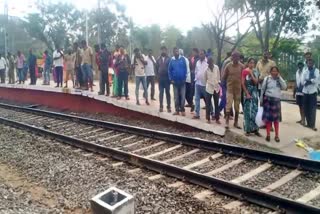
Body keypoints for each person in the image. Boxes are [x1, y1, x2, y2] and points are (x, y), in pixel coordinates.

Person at [260, 66, 287, 142]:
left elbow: (285, 87)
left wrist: (280, 77)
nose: (274, 73)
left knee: (276, 120)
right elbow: (262, 89)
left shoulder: (279, 80)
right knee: (268, 119)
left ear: (278, 72)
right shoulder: (267, 79)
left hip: (276, 100)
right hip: (268, 99)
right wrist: (261, 100)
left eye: (276, 71)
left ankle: (277, 135)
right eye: (273, 71)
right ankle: (268, 135)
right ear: (270, 72)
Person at [222, 51, 245, 129]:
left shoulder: (242, 66)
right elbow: (224, 77)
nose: (234, 58)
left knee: (237, 107)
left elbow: (245, 78)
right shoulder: (228, 66)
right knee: (228, 105)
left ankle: (236, 122)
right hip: (230, 89)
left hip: (238, 90)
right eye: (233, 56)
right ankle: (227, 122)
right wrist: (223, 86)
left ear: (238, 58)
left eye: (236, 56)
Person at [242, 58, 261, 136]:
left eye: (253, 63)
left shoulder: (256, 71)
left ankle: (256, 129)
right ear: (248, 63)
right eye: (250, 63)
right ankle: (247, 130)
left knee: (255, 111)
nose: (251, 64)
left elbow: (256, 82)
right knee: (247, 112)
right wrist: (247, 93)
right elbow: (242, 83)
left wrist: (251, 74)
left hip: (254, 93)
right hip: (247, 92)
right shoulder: (244, 71)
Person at [169, 47, 187, 116]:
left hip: (182, 82)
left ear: (178, 52)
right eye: (175, 51)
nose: (176, 52)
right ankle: (177, 110)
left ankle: (182, 110)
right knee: (176, 97)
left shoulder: (182, 59)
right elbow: (169, 70)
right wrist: (171, 79)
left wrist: (185, 78)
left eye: (177, 51)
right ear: (173, 53)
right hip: (175, 82)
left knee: (182, 97)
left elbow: (186, 69)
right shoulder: (172, 60)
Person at [302, 59, 319, 131]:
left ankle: (312, 125)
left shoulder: (316, 71)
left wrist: (308, 80)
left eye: (311, 63)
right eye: (308, 63)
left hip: (313, 92)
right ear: (307, 64)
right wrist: (311, 80)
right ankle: (308, 124)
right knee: (306, 108)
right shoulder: (305, 71)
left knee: (312, 109)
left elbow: (316, 80)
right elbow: (303, 82)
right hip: (305, 91)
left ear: (313, 63)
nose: (310, 64)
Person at [204, 57, 220, 124]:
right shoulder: (206, 70)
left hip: (216, 88)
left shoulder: (216, 68)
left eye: (211, 63)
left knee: (216, 104)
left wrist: (217, 82)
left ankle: (217, 118)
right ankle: (208, 118)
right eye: (209, 63)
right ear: (208, 63)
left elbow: (218, 76)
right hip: (209, 88)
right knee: (208, 104)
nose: (210, 64)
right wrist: (208, 84)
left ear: (213, 62)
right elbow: (205, 79)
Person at [193, 49, 208, 119]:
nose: (200, 55)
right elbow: (196, 71)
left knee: (207, 99)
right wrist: (196, 78)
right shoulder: (197, 62)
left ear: (205, 54)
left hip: (205, 84)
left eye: (202, 54)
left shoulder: (207, 62)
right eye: (200, 54)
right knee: (196, 99)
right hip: (197, 83)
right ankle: (197, 114)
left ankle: (212, 112)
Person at [156, 46, 171, 112]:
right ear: (160, 51)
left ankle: (168, 107)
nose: (163, 51)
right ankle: (161, 106)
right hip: (160, 78)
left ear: (166, 51)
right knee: (161, 93)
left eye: (164, 50)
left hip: (167, 78)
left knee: (168, 93)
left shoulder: (169, 59)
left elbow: (171, 68)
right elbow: (156, 68)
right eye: (162, 50)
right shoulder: (158, 59)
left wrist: (170, 78)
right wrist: (157, 76)